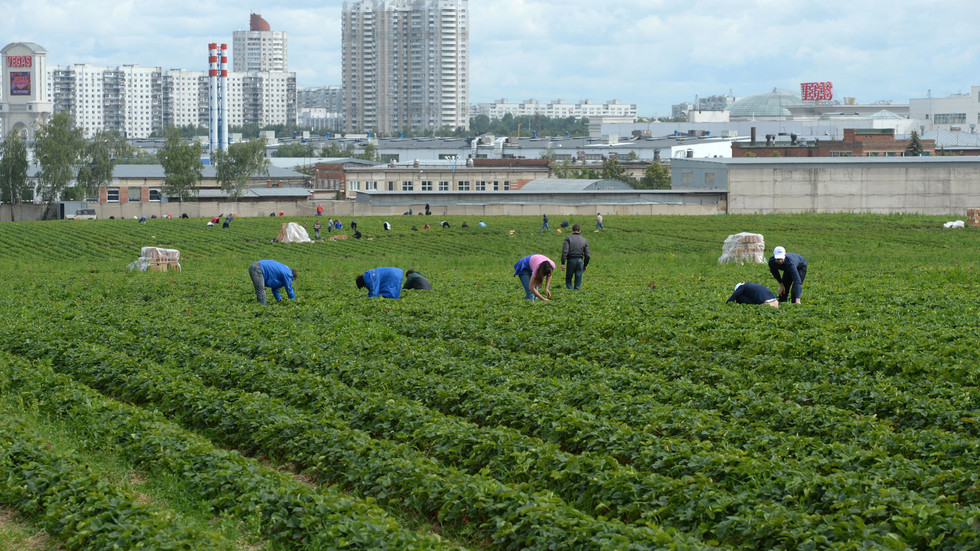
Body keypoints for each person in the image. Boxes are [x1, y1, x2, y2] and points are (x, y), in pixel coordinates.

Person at [560, 224, 591, 290]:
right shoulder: (584, 240)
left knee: (568, 280)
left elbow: (565, 251)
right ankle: (577, 292)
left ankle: (570, 292)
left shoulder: (568, 238)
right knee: (578, 280)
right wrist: (585, 265)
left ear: (572, 230)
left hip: (571, 260)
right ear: (580, 231)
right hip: (580, 261)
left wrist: (563, 263)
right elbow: (588, 255)